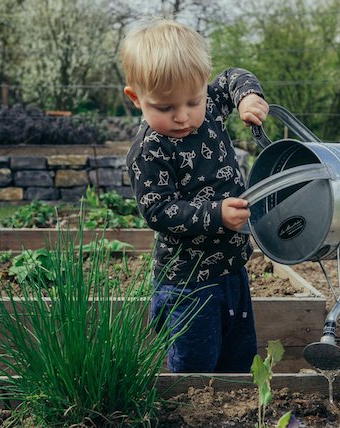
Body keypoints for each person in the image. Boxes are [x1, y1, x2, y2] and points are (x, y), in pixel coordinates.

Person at [120, 19, 269, 373]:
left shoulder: (213, 106)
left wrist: (248, 96)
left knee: (238, 356)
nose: (183, 116)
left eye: (193, 100)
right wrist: (216, 214)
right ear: (135, 98)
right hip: (188, 283)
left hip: (233, 269)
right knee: (195, 366)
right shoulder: (149, 151)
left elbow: (234, 76)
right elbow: (159, 210)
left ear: (204, 86)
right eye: (164, 107)